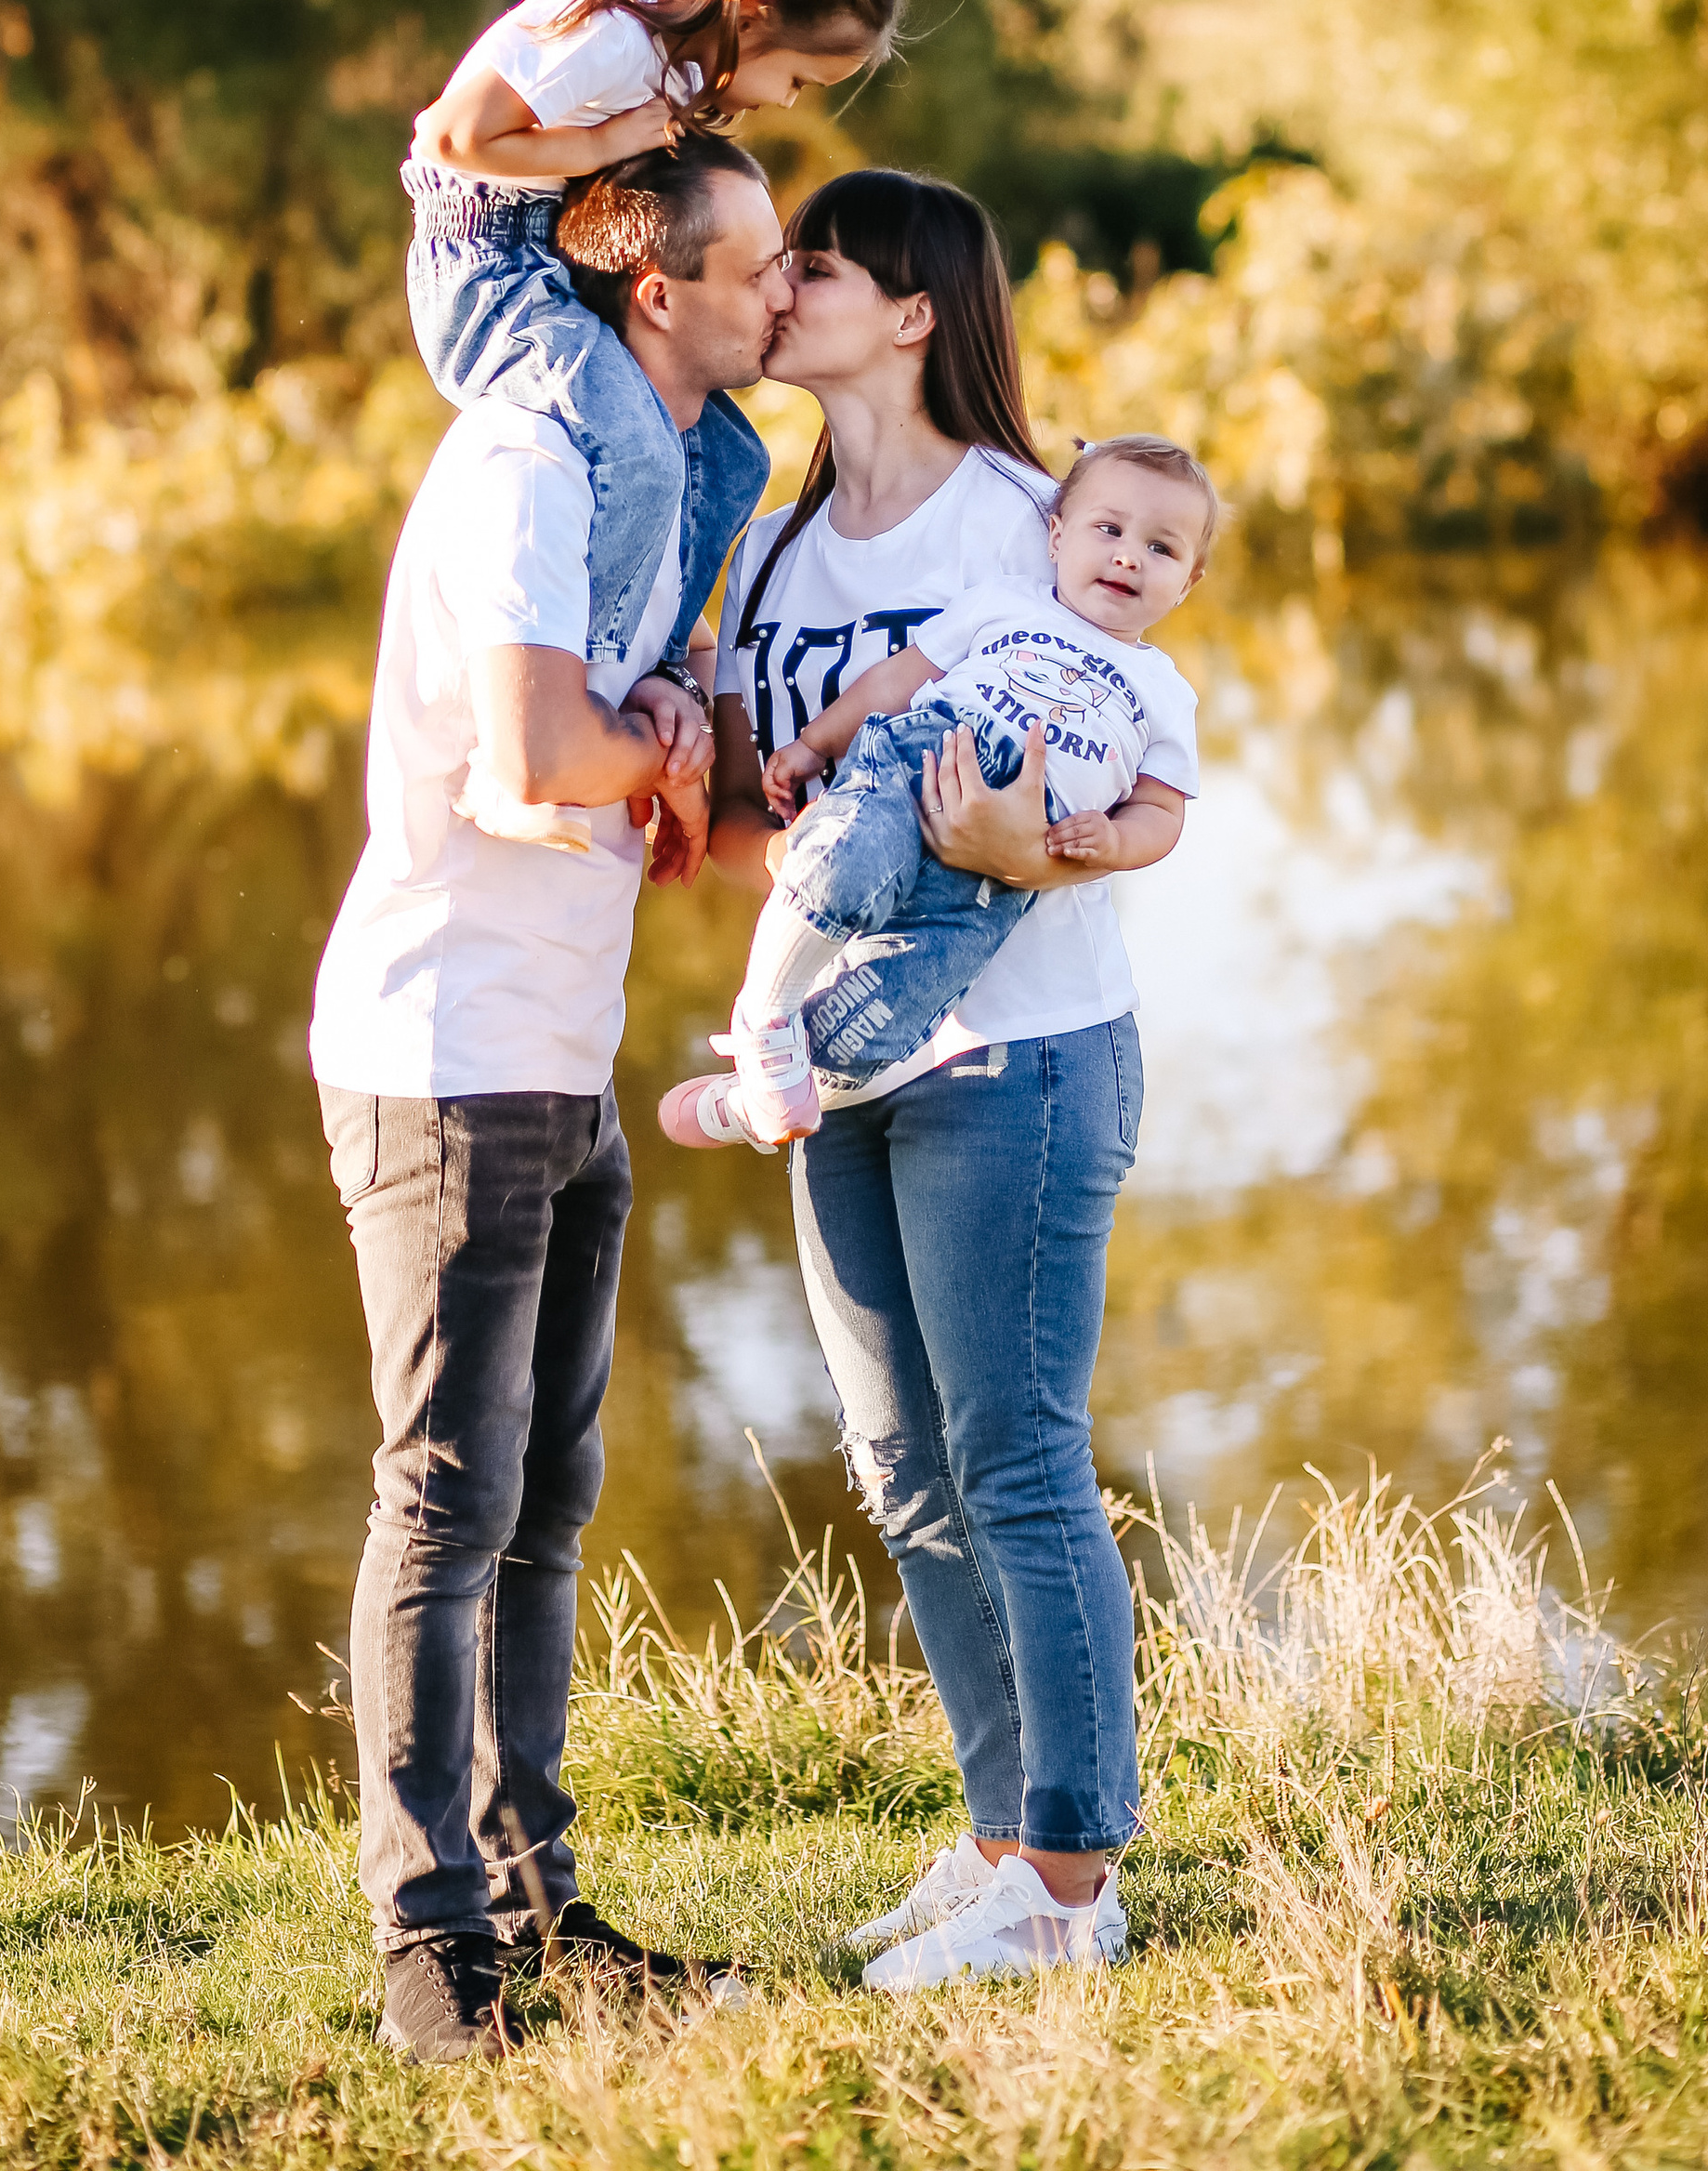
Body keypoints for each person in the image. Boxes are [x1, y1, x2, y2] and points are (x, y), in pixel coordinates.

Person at [309, 134, 790, 2063]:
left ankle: (538, 1912)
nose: (781, 289)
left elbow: (653, 797)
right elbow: (534, 747)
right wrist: (648, 740)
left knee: (539, 1507)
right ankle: (435, 1961)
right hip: (440, 1056)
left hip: (554, 1050)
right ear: (656, 289)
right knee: (443, 1506)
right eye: (752, 264)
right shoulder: (523, 458)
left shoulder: (649, 485)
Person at [703, 169, 1166, 1987]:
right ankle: (995, 1846)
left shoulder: (1029, 530)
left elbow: (1134, 801)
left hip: (1022, 1062)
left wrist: (1007, 842)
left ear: (906, 315)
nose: (774, 281)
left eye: (809, 263)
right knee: (903, 1468)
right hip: (845, 1065)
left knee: (1017, 1466)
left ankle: (1067, 1890)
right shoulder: (770, 550)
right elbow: (776, 799)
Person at [409, 0, 899, 673]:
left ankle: (661, 655)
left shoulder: (679, 54)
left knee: (734, 459)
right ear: (754, 19)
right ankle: (594, 674)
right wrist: (603, 143)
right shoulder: (616, 35)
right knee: (634, 445)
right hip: (486, 264)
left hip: (549, 244)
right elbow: (448, 137)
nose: (785, 102)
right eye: (801, 81)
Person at [663, 439, 1213, 1150]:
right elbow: (896, 681)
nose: (1129, 556)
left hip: (994, 880)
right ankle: (765, 1011)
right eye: (1108, 530)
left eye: (1160, 549)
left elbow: (1161, 813)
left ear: (1189, 580)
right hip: (922, 759)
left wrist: (1112, 839)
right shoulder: (1008, 602)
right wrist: (812, 745)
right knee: (838, 865)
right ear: (1057, 535)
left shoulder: (1166, 694)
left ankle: (755, 1095)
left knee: (901, 997)